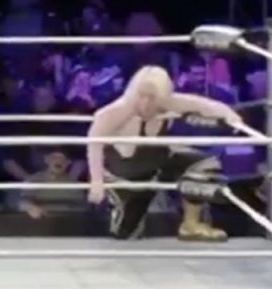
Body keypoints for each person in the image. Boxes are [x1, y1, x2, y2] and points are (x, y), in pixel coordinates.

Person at [86, 65, 242, 241]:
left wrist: (229, 115)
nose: (145, 103)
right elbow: (94, 141)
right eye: (141, 95)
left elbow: (205, 105)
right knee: (125, 236)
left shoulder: (169, 103)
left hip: (157, 167)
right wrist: (96, 181)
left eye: (152, 97)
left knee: (204, 164)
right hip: (126, 179)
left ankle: (190, 224)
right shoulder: (116, 111)